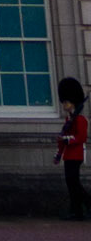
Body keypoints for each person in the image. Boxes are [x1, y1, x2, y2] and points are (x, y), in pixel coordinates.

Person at [57, 76, 88, 221]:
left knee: (74, 183)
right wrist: (59, 153)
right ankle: (76, 211)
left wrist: (66, 140)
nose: (64, 105)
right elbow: (64, 138)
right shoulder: (69, 120)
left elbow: (81, 137)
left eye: (66, 102)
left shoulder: (80, 119)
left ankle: (86, 204)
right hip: (69, 155)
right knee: (71, 184)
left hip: (76, 155)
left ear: (73, 102)